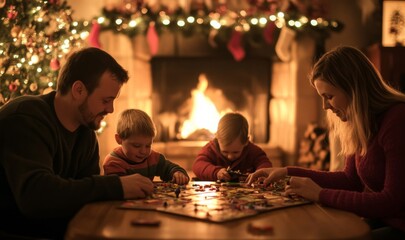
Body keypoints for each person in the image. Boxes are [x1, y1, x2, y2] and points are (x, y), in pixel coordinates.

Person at [247, 46, 405, 240]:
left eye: (329, 97)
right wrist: (286, 172)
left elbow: (391, 201)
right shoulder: (362, 121)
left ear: (354, 90)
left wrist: (320, 194)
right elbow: (350, 180)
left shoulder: (401, 120)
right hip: (386, 220)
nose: (326, 106)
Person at [0, 47, 154, 239]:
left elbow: (86, 195)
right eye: (106, 100)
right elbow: (36, 197)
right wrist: (116, 186)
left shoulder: (85, 132)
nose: (111, 109)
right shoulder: (25, 118)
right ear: (78, 90)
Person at [103, 109, 189, 185]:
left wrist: (177, 174)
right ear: (119, 139)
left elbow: (170, 168)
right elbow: (117, 188)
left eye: (148, 145)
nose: (143, 151)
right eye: (136, 146)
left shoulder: (152, 157)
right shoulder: (113, 163)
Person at [192, 112, 272, 181]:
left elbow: (264, 164)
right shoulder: (210, 149)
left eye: (236, 152)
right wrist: (216, 172)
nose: (230, 156)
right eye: (225, 152)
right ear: (217, 139)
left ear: (246, 142)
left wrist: (259, 174)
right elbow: (198, 165)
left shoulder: (253, 151)